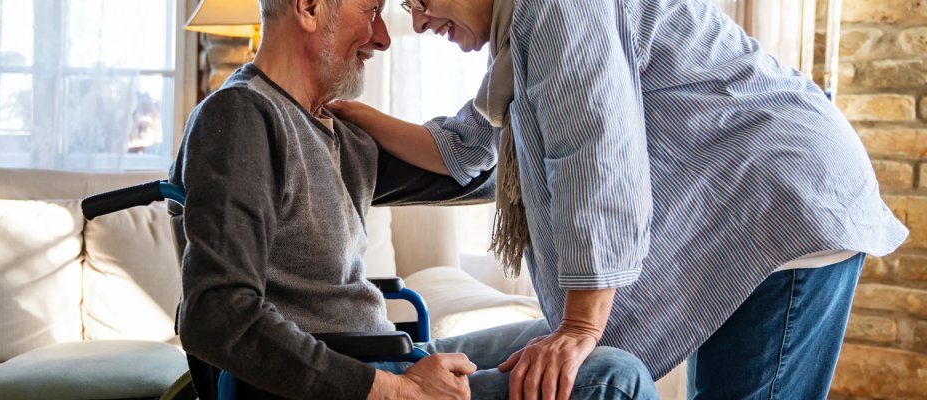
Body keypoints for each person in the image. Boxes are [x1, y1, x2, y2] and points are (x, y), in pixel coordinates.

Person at [326, 0, 910, 399]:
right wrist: (347, 111)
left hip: (787, 200)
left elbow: (596, 153)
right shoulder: (522, 35)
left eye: (421, 1)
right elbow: (463, 146)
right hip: (761, 201)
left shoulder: (560, 11)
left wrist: (581, 324)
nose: (421, 22)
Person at [171, 0, 658, 399]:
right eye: (371, 11)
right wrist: (397, 391)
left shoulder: (334, 132)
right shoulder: (241, 118)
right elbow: (216, 316)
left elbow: (479, 174)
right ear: (310, 7)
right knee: (613, 379)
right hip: (351, 378)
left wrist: (548, 88)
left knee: (589, 344)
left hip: (384, 353)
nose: (383, 37)